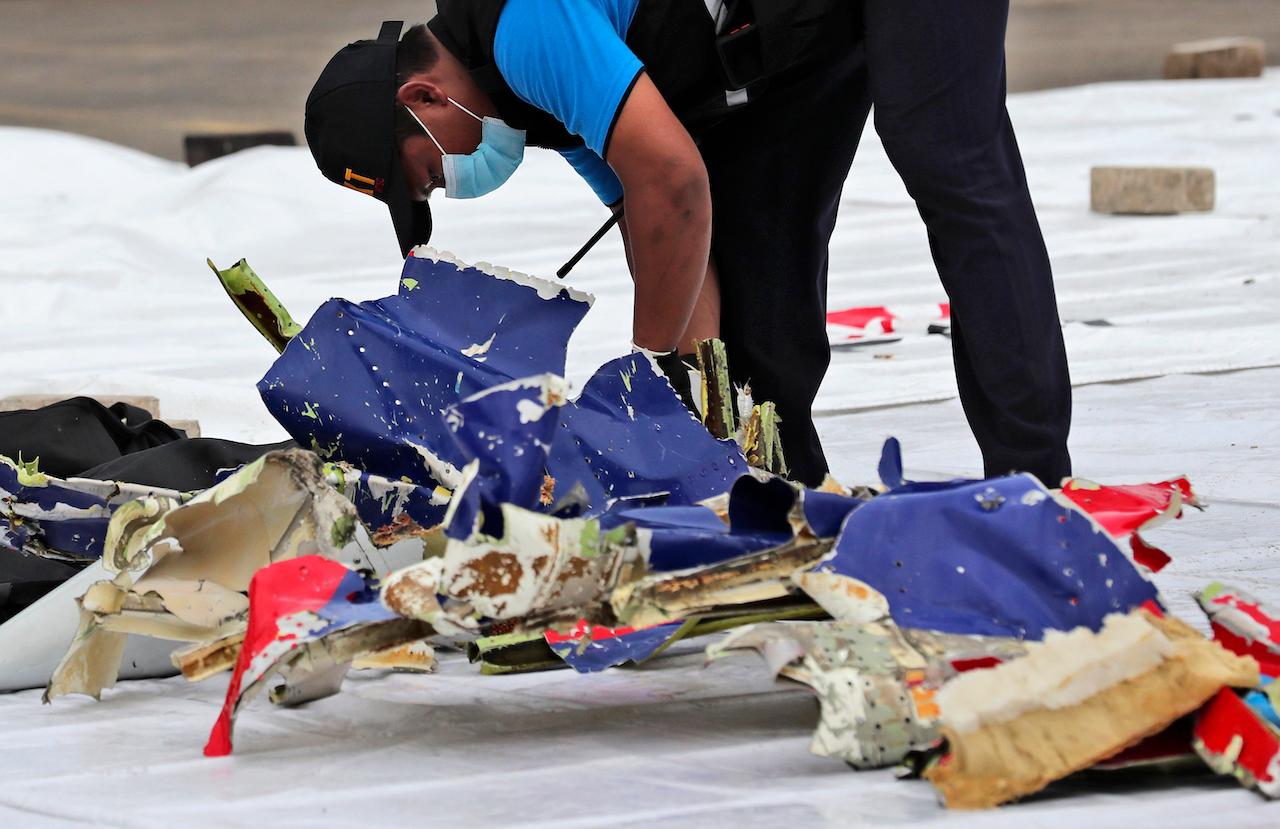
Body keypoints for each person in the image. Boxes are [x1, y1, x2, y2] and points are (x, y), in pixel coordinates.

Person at [305, 0, 1072, 487]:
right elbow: (663, 230)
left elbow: (674, 184)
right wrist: (699, 405)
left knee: (946, 155)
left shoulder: (528, 25)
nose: (451, 187)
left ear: (424, 98)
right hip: (790, 22)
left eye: (429, 173)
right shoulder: (525, 102)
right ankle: (781, 494)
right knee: (758, 253)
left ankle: (1034, 486)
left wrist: (642, 374)